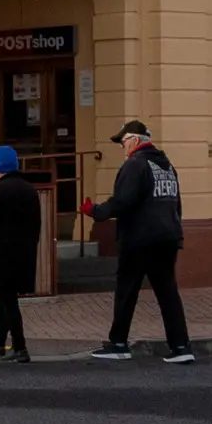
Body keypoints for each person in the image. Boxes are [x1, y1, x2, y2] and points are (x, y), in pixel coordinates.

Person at [81, 120, 193, 363]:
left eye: (123, 142)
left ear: (134, 140)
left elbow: (123, 202)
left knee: (126, 290)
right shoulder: (166, 166)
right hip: (168, 236)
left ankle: (119, 343)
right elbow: (177, 204)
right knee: (167, 292)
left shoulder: (135, 165)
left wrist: (96, 211)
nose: (123, 147)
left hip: (140, 239)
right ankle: (181, 347)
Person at [0, 144, 47, 360]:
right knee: (5, 298)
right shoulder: (29, 190)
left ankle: (20, 347)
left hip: (0, 255)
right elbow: (36, 225)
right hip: (24, 254)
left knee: (8, 301)